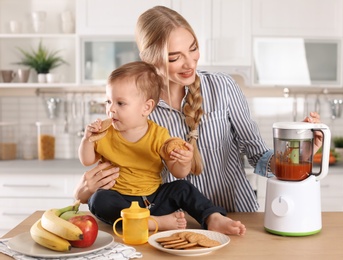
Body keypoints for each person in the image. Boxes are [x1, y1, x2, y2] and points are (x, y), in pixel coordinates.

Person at [74, 6, 323, 214]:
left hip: (235, 216)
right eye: (174, 57)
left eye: (193, 48)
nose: (190, 62)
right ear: (149, 58)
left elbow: (258, 156)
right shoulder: (133, 111)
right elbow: (115, 177)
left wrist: (298, 150)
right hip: (171, 226)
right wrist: (83, 192)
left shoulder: (222, 87)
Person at [77, 61, 246, 235]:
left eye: (120, 103)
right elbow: (87, 160)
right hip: (120, 201)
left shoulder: (159, 135)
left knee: (182, 187)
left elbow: (179, 172)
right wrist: (87, 139)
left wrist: (184, 161)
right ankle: (150, 223)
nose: (111, 109)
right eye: (108, 101)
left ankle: (212, 217)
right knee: (98, 199)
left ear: (146, 107)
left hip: (154, 200)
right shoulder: (104, 132)